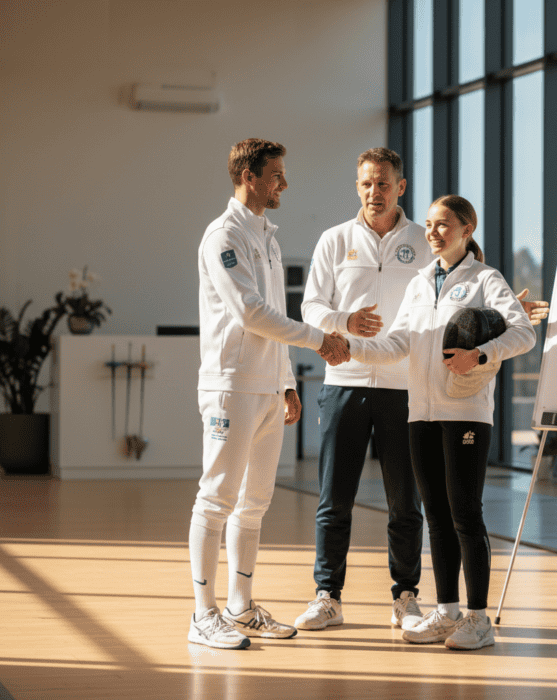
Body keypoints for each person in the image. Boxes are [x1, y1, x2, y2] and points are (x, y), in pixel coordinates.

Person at [296, 148, 547, 632]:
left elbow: (503, 324)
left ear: (400, 187)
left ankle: (441, 606)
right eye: (367, 183)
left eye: (384, 183)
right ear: (358, 185)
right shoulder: (370, 257)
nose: (375, 192)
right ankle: (360, 599)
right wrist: (345, 340)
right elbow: (384, 335)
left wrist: (486, 344)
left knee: (438, 511)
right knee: (380, 506)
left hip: (436, 402)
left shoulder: (458, 263)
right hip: (386, 399)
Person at [346, 194, 537, 651]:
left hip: (464, 413)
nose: (432, 232)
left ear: (466, 230)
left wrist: (480, 354)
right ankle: (447, 610)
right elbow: (398, 344)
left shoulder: (486, 279)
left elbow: (524, 333)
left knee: (466, 515)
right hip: (422, 413)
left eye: (442, 224)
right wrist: (348, 346)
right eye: (428, 224)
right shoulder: (418, 283)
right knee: (436, 516)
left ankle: (478, 618)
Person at [188, 138, 350, 650]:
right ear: (248, 176)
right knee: (215, 500)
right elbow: (252, 313)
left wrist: (286, 381)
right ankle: (202, 614)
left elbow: (274, 312)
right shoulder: (223, 236)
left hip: (265, 389)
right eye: (276, 174)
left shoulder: (270, 238)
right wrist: (320, 340)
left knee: (254, 504)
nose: (284, 183)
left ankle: (240, 607)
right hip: (230, 388)